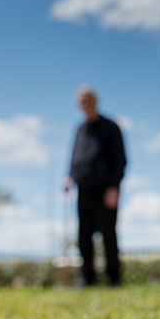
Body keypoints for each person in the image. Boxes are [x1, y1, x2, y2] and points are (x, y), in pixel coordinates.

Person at [64, 86, 127, 286]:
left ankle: (114, 279)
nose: (84, 103)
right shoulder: (80, 129)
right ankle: (87, 278)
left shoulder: (110, 127)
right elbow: (75, 157)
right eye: (81, 100)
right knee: (84, 235)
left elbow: (120, 159)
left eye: (88, 99)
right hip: (84, 189)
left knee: (108, 234)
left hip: (106, 190)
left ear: (96, 101)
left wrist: (114, 186)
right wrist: (70, 177)